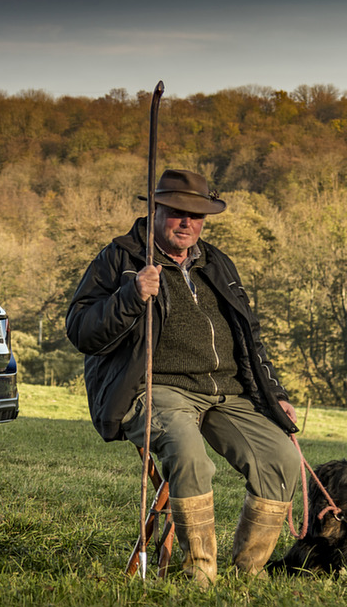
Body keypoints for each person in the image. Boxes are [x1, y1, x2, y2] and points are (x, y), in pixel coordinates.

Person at [65, 169, 300, 585]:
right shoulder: (119, 259)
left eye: (198, 215)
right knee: (188, 453)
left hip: (226, 392)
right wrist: (130, 295)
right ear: (155, 210)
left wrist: (274, 393)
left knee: (281, 458)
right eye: (178, 213)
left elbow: (249, 335)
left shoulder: (217, 262)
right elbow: (81, 330)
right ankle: (200, 574)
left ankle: (249, 572)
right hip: (155, 389)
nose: (188, 223)